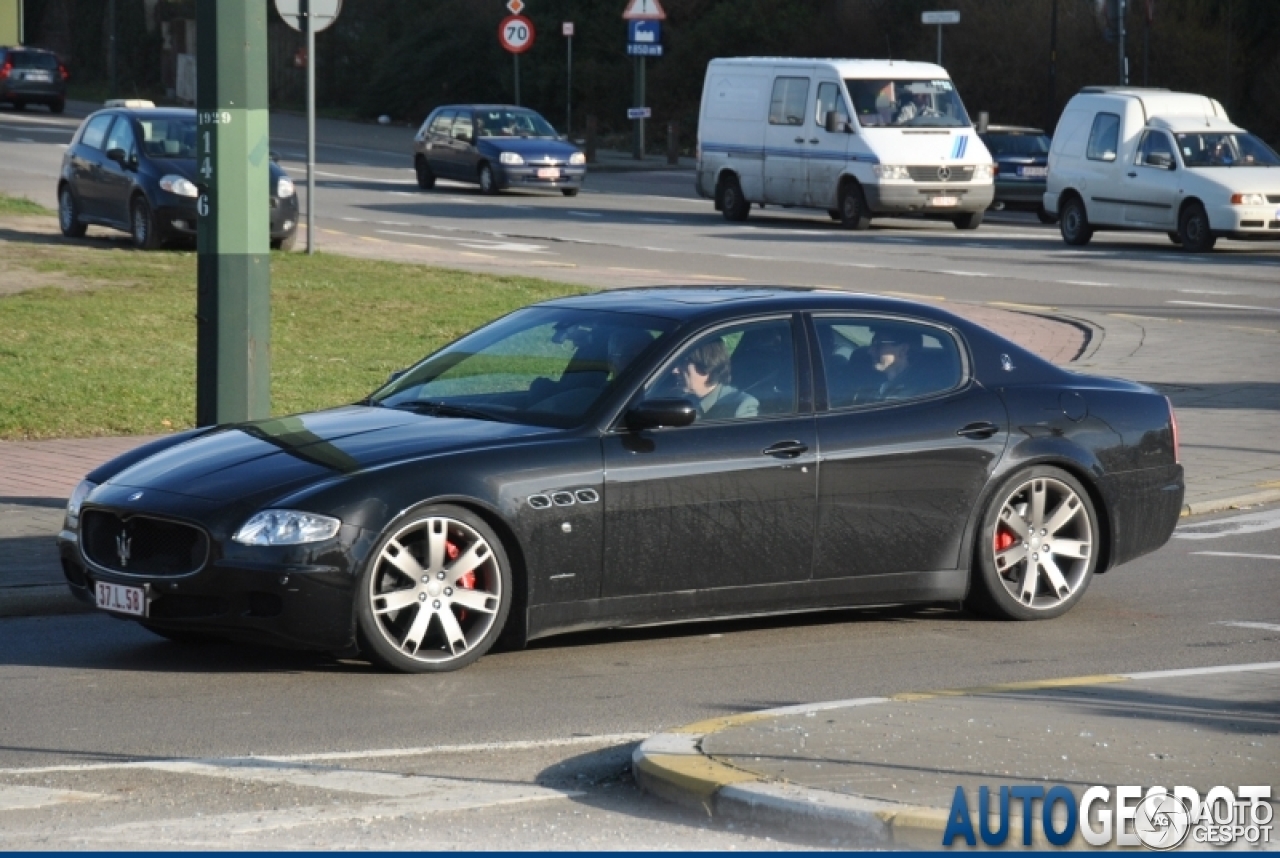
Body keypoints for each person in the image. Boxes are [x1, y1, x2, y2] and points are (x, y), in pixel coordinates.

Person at [674, 338, 758, 420]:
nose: (675, 370)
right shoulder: (681, 399)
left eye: (683, 363)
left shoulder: (741, 406)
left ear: (705, 365)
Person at [868, 328, 931, 401]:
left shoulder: (919, 395)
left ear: (903, 349)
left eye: (878, 344)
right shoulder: (872, 384)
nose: (870, 351)